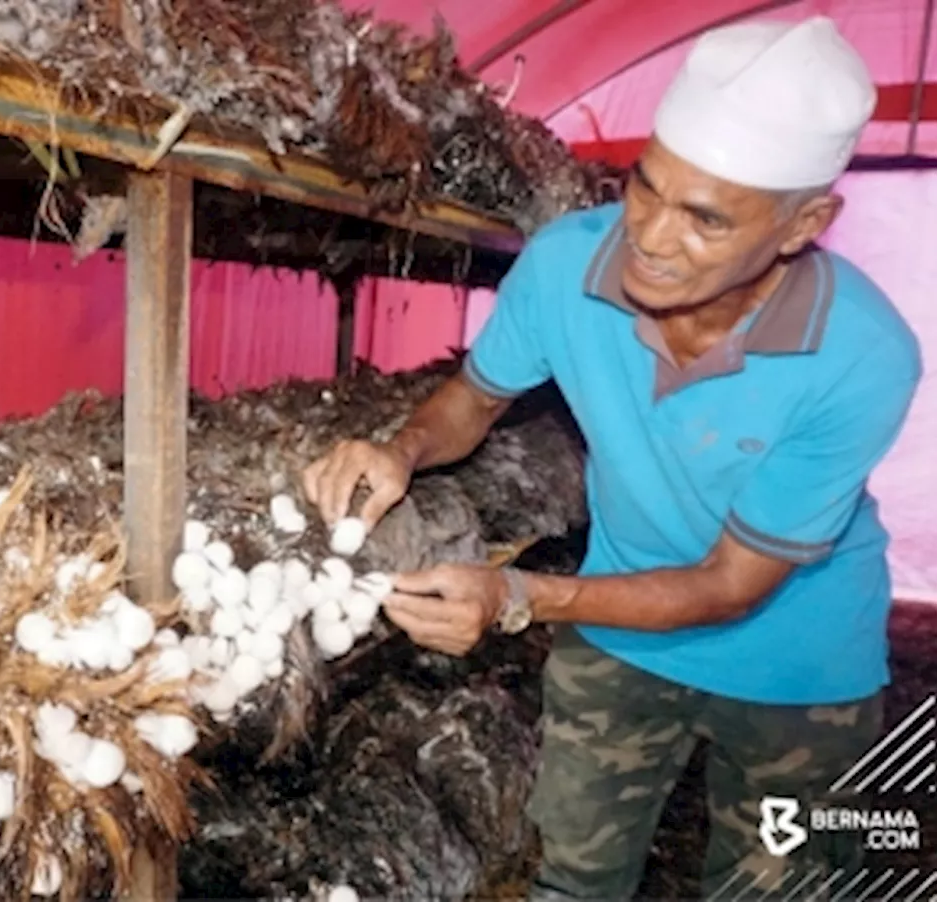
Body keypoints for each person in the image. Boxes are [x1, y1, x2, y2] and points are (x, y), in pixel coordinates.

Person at [301, 15, 923, 902]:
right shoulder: (564, 266)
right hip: (620, 629)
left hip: (803, 670)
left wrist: (516, 596)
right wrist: (402, 450)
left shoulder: (864, 353)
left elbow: (730, 585)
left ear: (805, 223)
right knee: (572, 880)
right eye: (646, 189)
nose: (653, 238)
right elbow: (475, 399)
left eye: (706, 219)